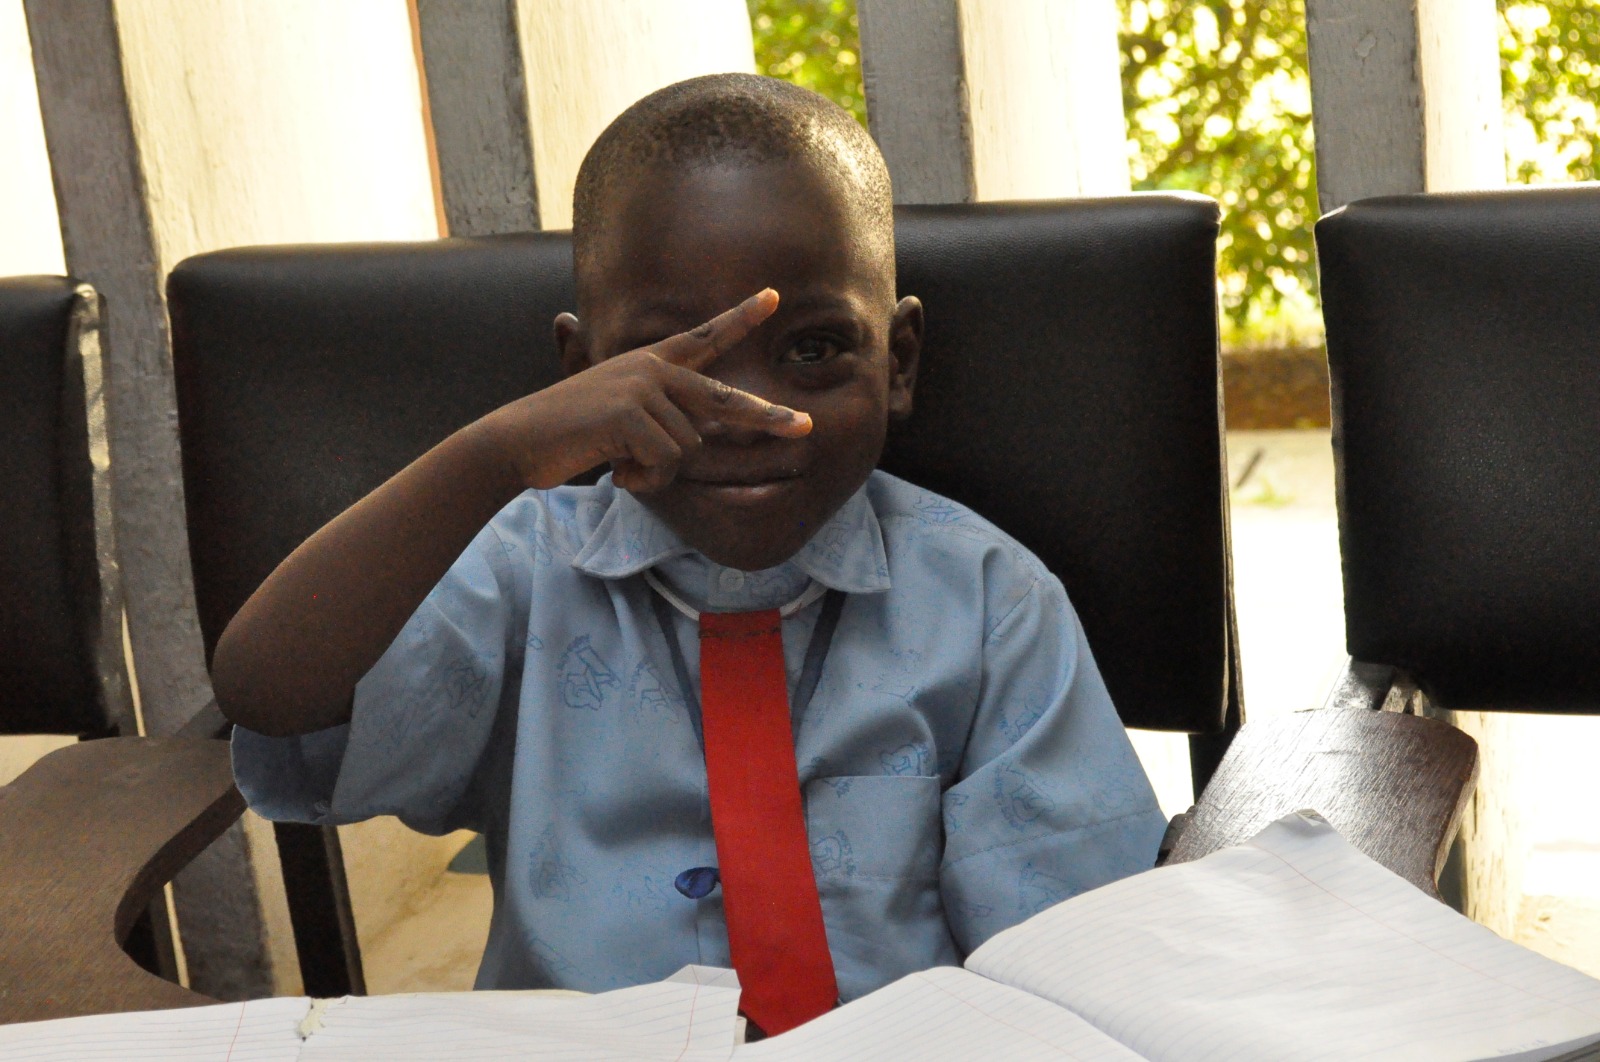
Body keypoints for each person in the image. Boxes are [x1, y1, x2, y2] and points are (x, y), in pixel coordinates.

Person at [215, 74, 1167, 1020]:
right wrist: (498, 453)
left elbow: (1072, 941)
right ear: (581, 372)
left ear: (899, 360)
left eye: (814, 351)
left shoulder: (990, 602)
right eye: (678, 361)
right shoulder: (521, 573)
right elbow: (266, 690)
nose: (745, 412)